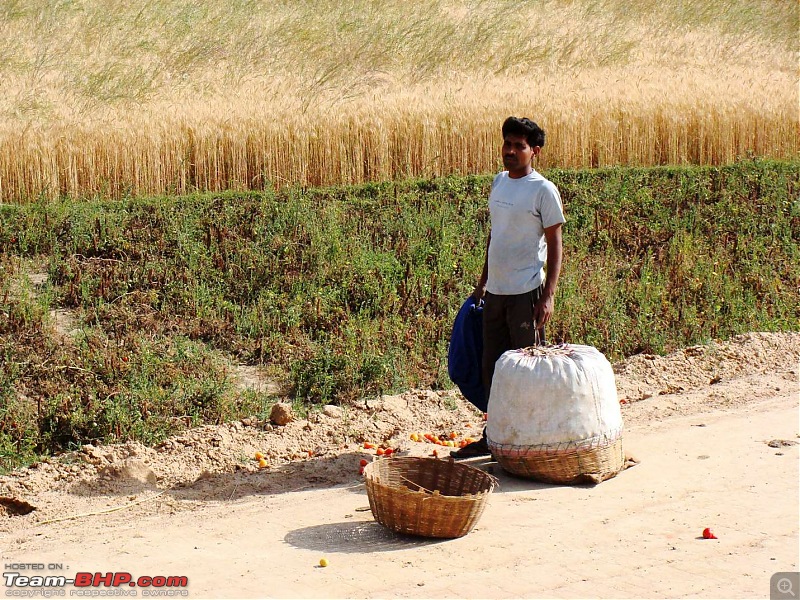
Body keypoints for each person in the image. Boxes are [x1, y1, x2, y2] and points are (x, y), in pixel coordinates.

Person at [452, 116, 566, 458]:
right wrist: (483, 281)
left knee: (527, 369)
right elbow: (495, 235)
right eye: (508, 144)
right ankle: (495, 437)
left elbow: (556, 243)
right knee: (495, 370)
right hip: (496, 294)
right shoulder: (499, 183)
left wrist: (547, 297)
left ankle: (532, 441)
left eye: (520, 146)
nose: (511, 151)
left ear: (535, 152)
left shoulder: (542, 191)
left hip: (526, 292)